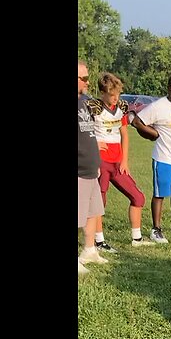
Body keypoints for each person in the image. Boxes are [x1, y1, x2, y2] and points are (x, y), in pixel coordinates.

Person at [86, 73, 156, 249]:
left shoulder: (122, 106)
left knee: (137, 197)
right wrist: (94, 143)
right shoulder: (92, 107)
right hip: (101, 161)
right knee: (99, 202)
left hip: (117, 162)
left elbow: (124, 133)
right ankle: (99, 240)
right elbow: (83, 132)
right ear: (102, 93)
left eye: (117, 93)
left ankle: (136, 238)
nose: (115, 98)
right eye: (111, 94)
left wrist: (125, 160)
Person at [129, 74, 171, 243]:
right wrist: (152, 134)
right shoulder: (158, 106)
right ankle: (156, 229)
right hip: (164, 158)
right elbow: (137, 121)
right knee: (160, 195)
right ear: (168, 88)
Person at [77, 61, 108, 274]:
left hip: (90, 168)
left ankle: (89, 250)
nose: (88, 82)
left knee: (92, 212)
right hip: (78, 170)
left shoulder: (84, 101)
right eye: (85, 78)